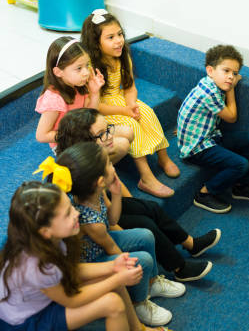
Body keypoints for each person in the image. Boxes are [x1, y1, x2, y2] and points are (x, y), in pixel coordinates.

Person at [0, 181, 176, 331]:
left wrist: (112, 266)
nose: (76, 213)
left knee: (112, 279)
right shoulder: (37, 265)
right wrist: (116, 279)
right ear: (45, 230)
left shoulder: (48, 240)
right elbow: (71, 300)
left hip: (44, 298)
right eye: (67, 214)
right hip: (33, 321)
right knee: (112, 304)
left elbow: (71, 269)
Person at [55, 108, 221, 282]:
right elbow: (106, 224)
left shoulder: (95, 157)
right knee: (145, 224)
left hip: (104, 205)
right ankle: (180, 268)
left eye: (109, 128)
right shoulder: (79, 175)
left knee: (151, 208)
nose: (110, 136)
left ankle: (191, 244)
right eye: (102, 134)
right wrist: (131, 233)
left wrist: (133, 204)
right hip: (95, 225)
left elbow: (111, 188)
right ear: (83, 141)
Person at [39, 142, 185, 327]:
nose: (113, 166)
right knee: (143, 260)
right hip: (93, 259)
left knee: (146, 235)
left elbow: (113, 220)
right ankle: (138, 303)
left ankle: (153, 282)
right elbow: (112, 249)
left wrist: (116, 194)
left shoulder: (96, 193)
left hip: (103, 244)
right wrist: (130, 263)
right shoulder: (89, 220)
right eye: (109, 164)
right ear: (100, 181)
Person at [81, 9, 179, 198]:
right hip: (102, 107)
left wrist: (132, 105)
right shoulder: (92, 67)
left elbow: (129, 87)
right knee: (131, 124)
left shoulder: (122, 54)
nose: (118, 40)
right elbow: (94, 105)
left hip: (121, 100)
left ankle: (163, 158)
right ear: (96, 43)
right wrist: (125, 112)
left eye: (120, 34)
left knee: (147, 112)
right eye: (110, 37)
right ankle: (146, 178)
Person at [177, 44, 249, 214]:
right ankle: (205, 193)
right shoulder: (209, 92)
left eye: (234, 73)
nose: (231, 77)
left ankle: (240, 186)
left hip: (209, 137)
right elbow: (232, 117)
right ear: (210, 71)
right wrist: (232, 89)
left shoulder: (210, 84)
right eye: (226, 71)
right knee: (241, 164)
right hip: (196, 149)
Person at [34, 36, 134, 159]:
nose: (86, 72)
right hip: (68, 144)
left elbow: (91, 115)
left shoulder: (79, 85)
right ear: (58, 72)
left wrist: (95, 93)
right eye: (79, 68)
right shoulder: (54, 99)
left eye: (87, 65)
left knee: (128, 132)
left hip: (86, 133)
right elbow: (41, 135)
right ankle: (90, 172)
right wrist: (75, 135)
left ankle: (98, 164)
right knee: (123, 145)